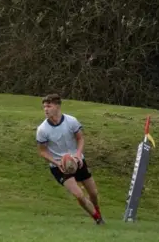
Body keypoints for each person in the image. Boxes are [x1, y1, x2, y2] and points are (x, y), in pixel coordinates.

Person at [36, 93, 105, 225]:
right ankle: (98, 219)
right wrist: (57, 163)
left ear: (57, 106)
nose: (46, 109)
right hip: (59, 167)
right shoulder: (42, 129)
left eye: (49, 106)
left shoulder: (71, 121)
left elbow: (80, 138)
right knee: (79, 194)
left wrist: (78, 154)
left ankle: (97, 210)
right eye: (44, 107)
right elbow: (42, 152)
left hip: (78, 161)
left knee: (93, 193)